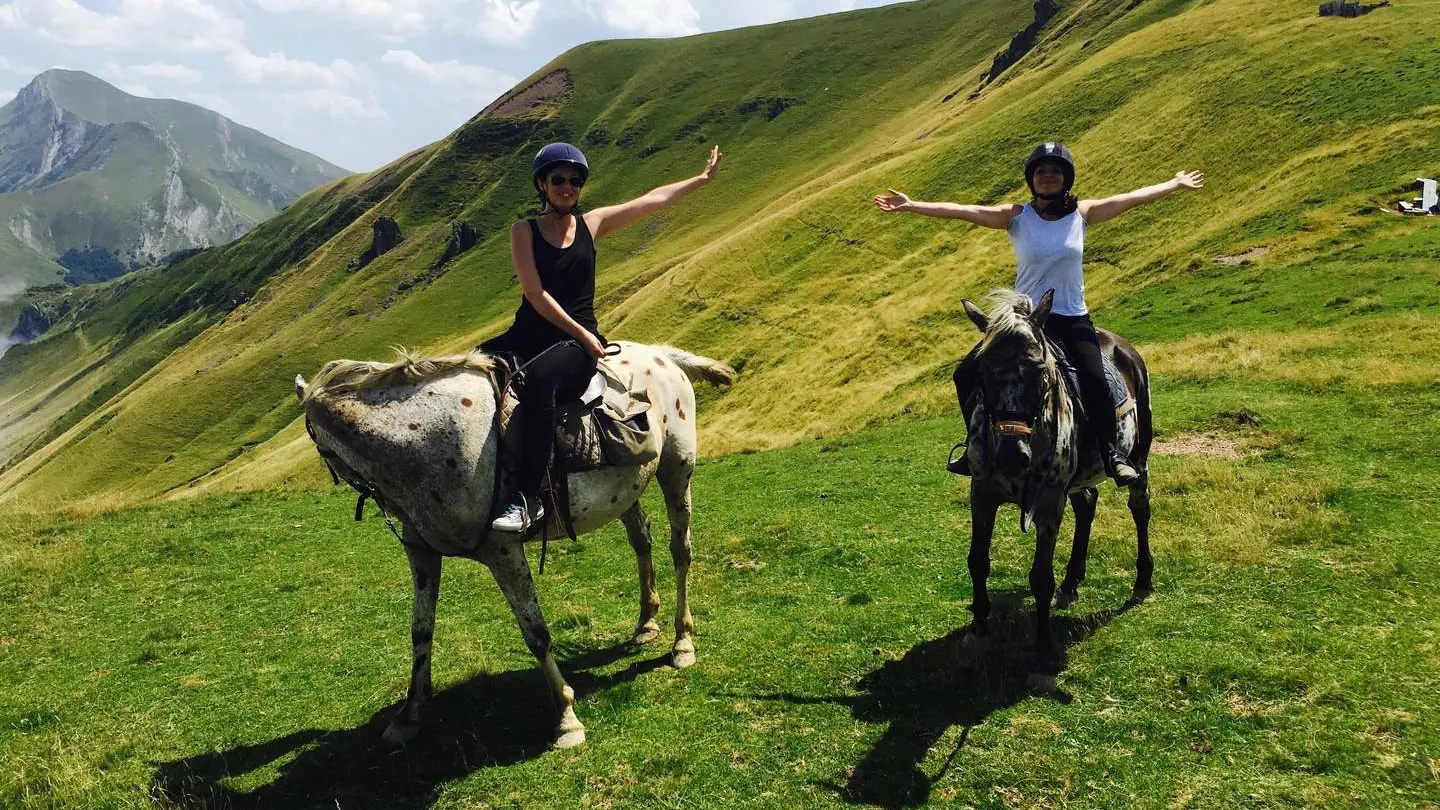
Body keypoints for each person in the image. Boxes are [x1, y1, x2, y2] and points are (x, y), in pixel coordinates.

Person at [873, 142, 1203, 485]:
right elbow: (963, 210)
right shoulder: (1016, 217)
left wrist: (1174, 184)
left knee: (1095, 379)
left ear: (1066, 179)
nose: (1048, 177)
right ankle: (975, 448)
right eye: (1041, 171)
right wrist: (911, 205)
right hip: (1024, 322)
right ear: (1032, 179)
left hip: (1072, 319)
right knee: (967, 373)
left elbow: (1133, 197)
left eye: (1055, 171)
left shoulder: (1083, 215)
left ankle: (1110, 453)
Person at [483, 142, 724, 531]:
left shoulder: (592, 224)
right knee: (469, 372)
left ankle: (528, 499)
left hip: (575, 345)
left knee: (542, 384)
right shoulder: (523, 231)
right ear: (542, 184)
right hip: (528, 334)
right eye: (558, 178)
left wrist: (701, 179)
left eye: (575, 180)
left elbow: (653, 199)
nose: (567, 186)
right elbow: (534, 293)